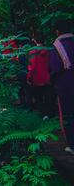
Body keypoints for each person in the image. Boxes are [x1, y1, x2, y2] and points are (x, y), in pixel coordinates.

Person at [49, 20, 74, 155]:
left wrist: (51, 81)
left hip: (65, 86)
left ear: (57, 31)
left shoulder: (57, 46)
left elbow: (55, 68)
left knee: (69, 115)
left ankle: (72, 145)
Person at [26, 32, 54, 119]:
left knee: (38, 98)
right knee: (48, 97)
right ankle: (48, 114)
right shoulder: (49, 51)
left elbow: (31, 67)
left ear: (35, 41)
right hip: (47, 78)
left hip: (36, 79)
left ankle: (43, 114)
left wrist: (29, 78)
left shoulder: (32, 52)